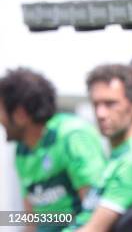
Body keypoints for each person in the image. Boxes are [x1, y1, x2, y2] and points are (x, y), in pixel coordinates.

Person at [0, 68, 106, 232]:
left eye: (1, 111)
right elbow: (32, 220)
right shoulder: (22, 150)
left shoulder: (72, 136)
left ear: (20, 114)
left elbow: (96, 214)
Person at [68, 64, 132, 232]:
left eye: (110, 103)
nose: (100, 114)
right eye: (96, 104)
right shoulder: (120, 155)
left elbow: (93, 229)